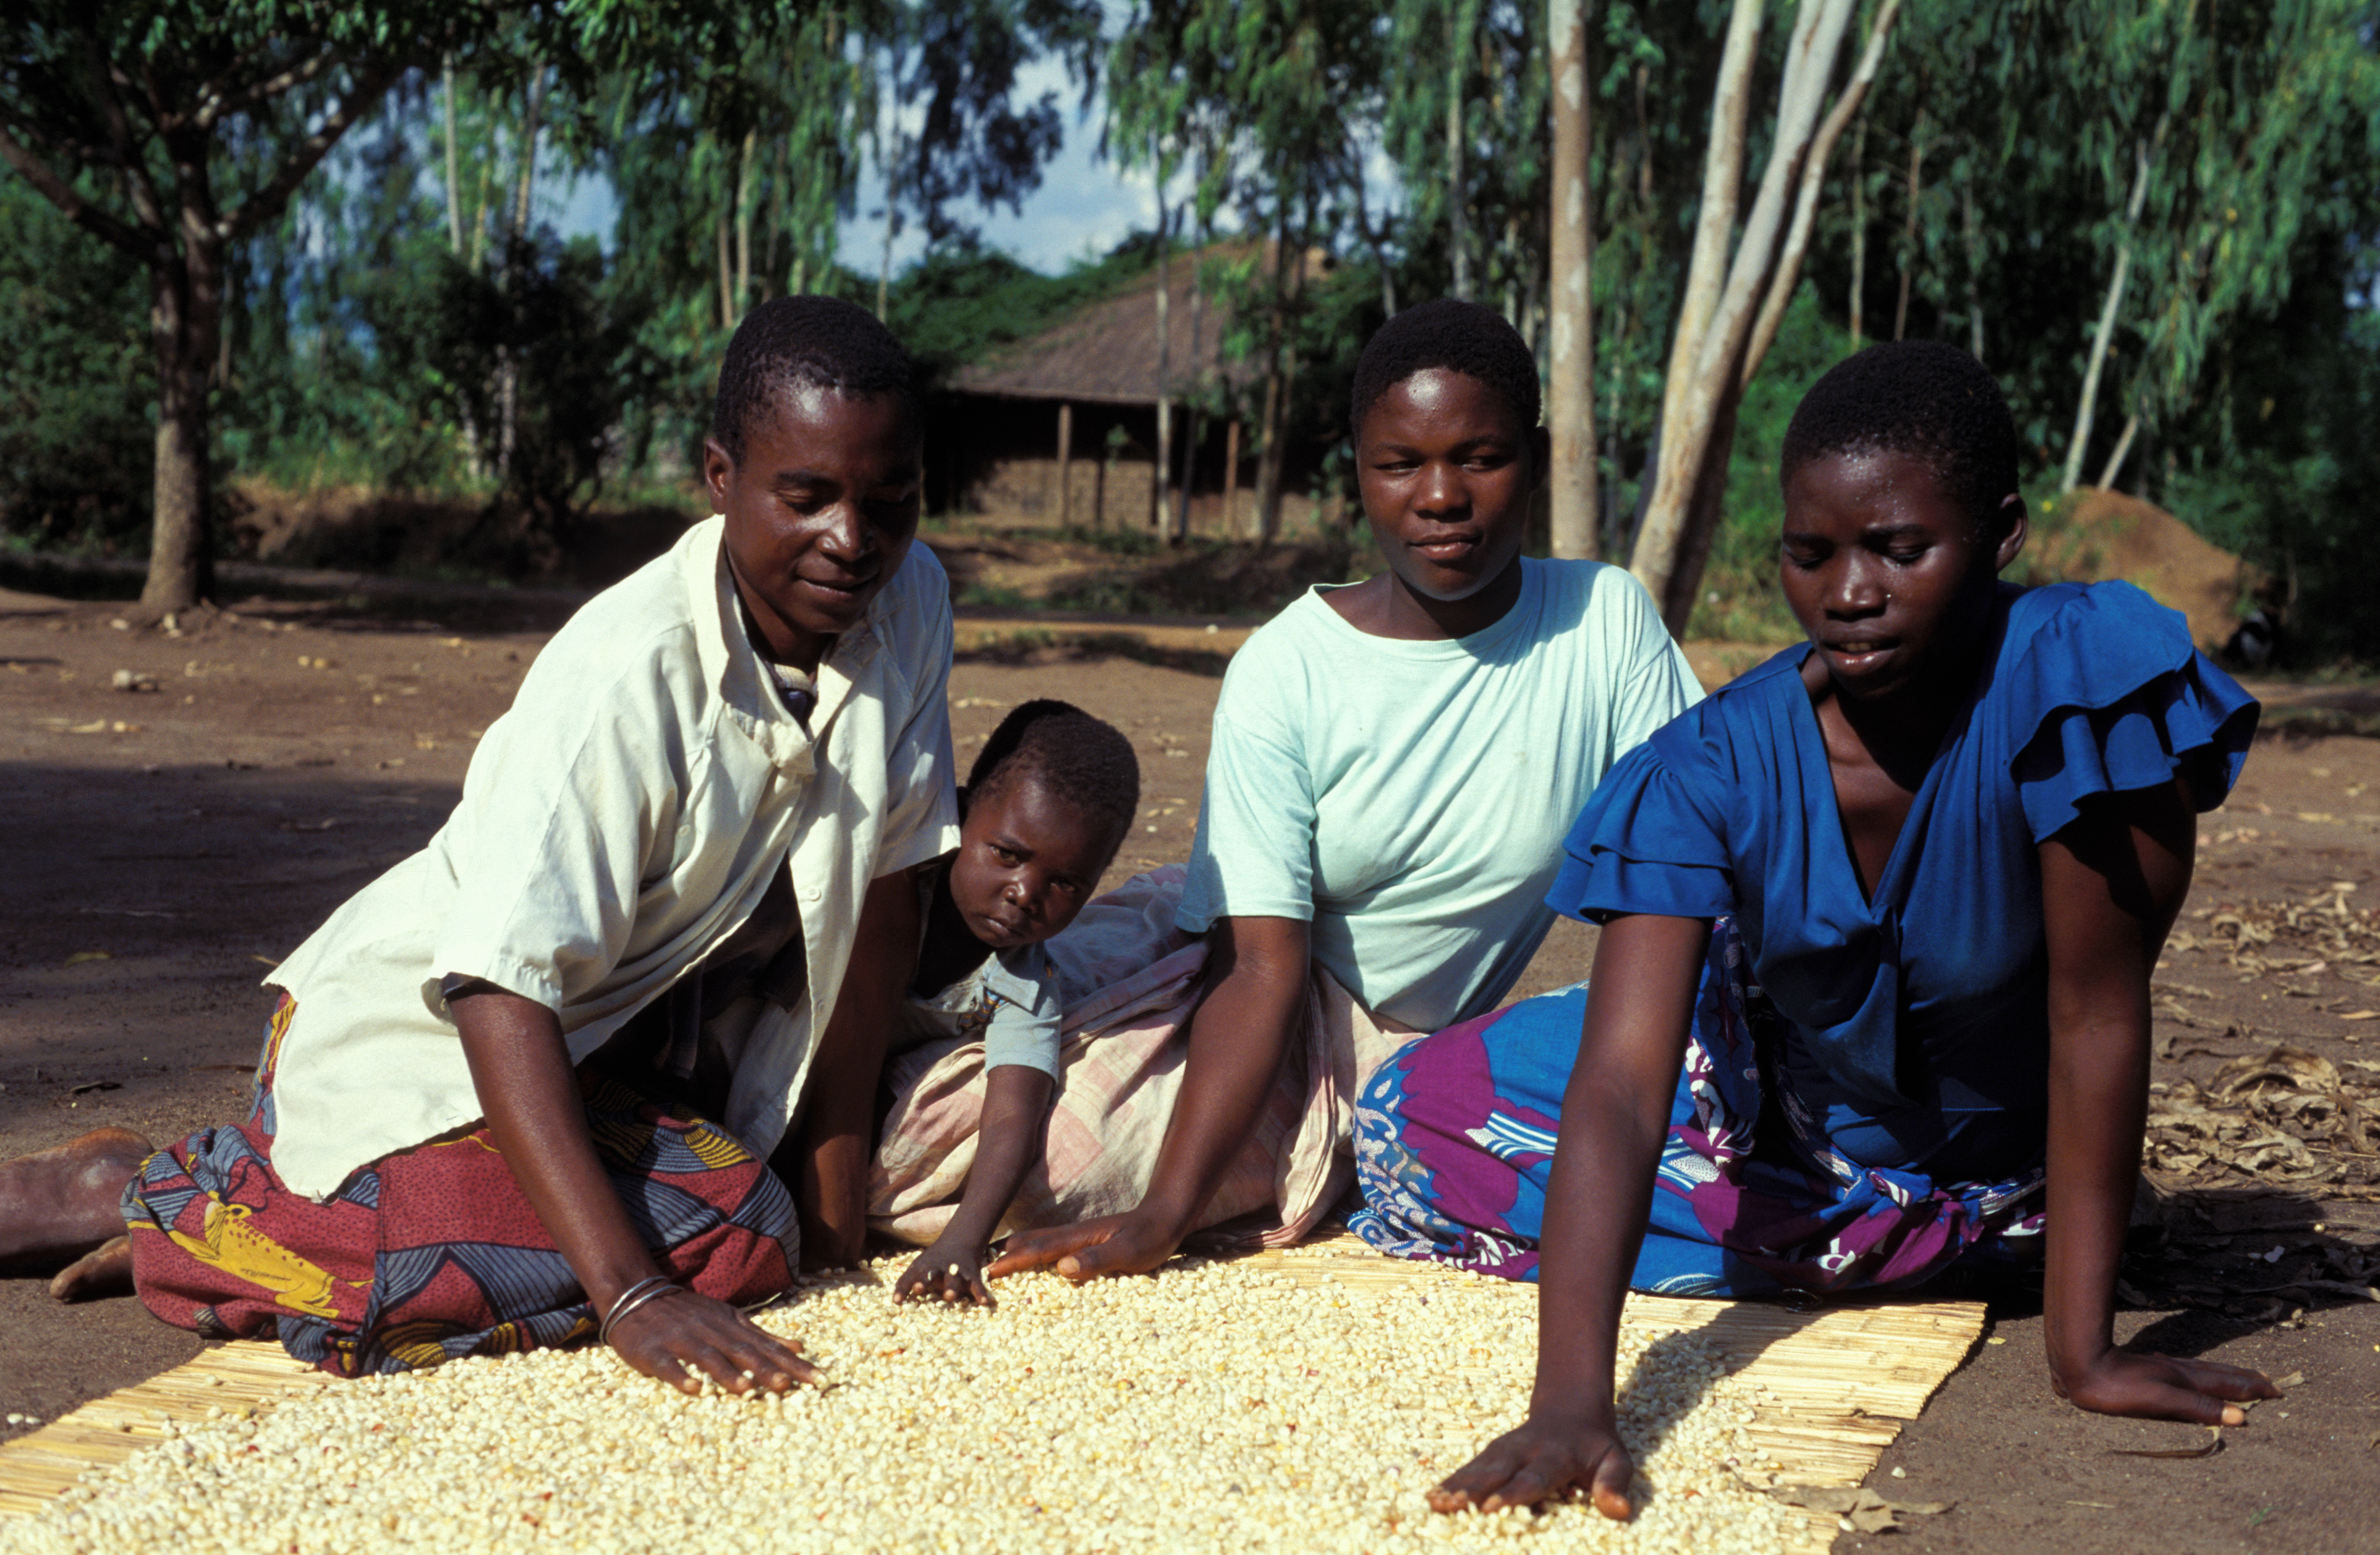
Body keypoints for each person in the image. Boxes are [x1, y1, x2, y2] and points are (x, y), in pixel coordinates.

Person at [1350, 341, 2278, 1521]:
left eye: (1900, 549)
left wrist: (2082, 1354)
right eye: (1811, 553)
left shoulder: (2079, 688)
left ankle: (1919, 1242)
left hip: (2022, 1184)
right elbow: (1628, 1087)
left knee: (1478, 1131)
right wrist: (1574, 1402)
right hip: (1790, 1134)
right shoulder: (1711, 764)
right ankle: (1877, 1238)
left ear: (2000, 533)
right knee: (1401, 1118)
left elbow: (2097, 1014)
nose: (1849, 591)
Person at [0, 295, 957, 1391]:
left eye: (891, 500)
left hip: (602, 1059)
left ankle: (269, 1211)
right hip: (420, 1032)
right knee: (496, 1262)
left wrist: (837, 1202)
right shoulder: (625, 675)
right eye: (808, 497)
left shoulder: (911, 599)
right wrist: (633, 1298)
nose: (855, 539)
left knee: (752, 1231)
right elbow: (499, 988)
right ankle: (173, 1199)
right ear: (720, 479)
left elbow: (891, 890)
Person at [977, 299, 1702, 1282]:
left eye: (1478, 457)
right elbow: (1256, 966)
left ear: (1531, 457)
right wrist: (1166, 1216)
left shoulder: (1603, 626)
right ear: (1357, 469)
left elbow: (1697, 854)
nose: (1439, 496)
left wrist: (1159, 1208)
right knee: (990, 1084)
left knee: (1066, 1167)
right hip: (1225, 971)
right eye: (1399, 463)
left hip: (1363, 1047)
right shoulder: (1288, 669)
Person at [888, 701, 1141, 1307]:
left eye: (1066, 883)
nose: (1025, 894)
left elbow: (1010, 1117)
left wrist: (964, 1239)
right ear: (960, 811)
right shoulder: (890, 890)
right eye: (1006, 853)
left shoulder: (1025, 979)